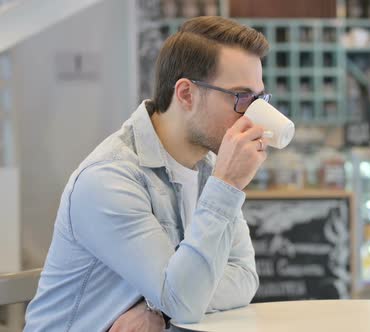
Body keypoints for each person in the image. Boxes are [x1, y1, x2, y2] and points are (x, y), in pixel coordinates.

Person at [24, 16, 271, 331]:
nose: (253, 115)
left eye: (259, 98)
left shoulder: (210, 167)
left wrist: (160, 310)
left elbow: (244, 277)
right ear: (185, 94)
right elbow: (184, 300)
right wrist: (227, 186)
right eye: (241, 98)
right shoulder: (109, 178)